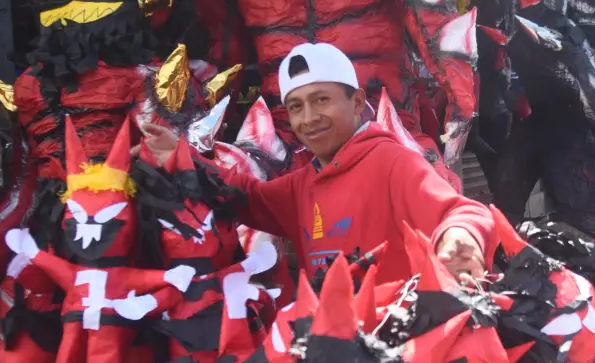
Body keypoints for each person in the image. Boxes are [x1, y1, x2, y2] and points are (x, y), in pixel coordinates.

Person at [142, 42, 493, 283]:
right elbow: (245, 196)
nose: (309, 118)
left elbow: (463, 211)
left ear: (357, 102)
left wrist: (459, 234)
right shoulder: (302, 185)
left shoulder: (392, 163)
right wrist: (179, 155)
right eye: (296, 106)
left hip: (395, 352)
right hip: (330, 356)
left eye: (321, 100)